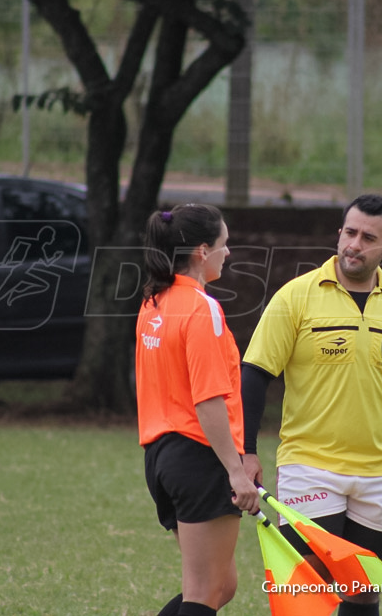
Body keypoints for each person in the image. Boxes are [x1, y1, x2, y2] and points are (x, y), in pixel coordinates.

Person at [241, 194, 382, 616]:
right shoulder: (295, 297)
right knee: (311, 585)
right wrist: (246, 451)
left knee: (361, 591)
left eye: (367, 237)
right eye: (349, 232)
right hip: (308, 466)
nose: (354, 244)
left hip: (380, 473)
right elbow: (254, 374)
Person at [135, 204, 259, 616]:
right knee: (204, 593)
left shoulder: (154, 302)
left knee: (221, 586)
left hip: (161, 458)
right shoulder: (202, 308)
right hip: (198, 458)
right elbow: (207, 401)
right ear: (202, 251)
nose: (230, 252)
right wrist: (236, 471)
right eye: (225, 244)